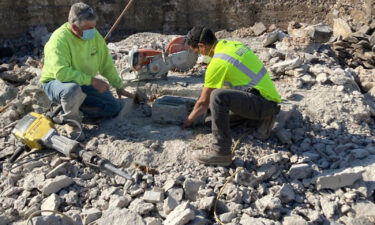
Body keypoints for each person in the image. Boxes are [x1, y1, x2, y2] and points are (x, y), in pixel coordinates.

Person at [183, 26, 281, 166]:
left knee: (217, 97)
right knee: (211, 120)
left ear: (202, 46)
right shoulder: (231, 45)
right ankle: (260, 121)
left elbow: (203, 102)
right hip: (263, 99)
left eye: (197, 51)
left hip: (262, 103)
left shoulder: (217, 62)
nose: (199, 55)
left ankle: (221, 152)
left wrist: (188, 120)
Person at [40, 2, 134, 140]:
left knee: (113, 107)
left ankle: (76, 108)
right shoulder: (59, 40)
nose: (93, 31)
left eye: (94, 27)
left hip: (82, 81)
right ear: (74, 27)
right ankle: (71, 121)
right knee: (71, 90)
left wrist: (118, 86)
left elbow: (106, 64)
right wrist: (93, 81)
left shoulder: (94, 37)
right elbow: (62, 73)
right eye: (88, 28)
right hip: (57, 83)